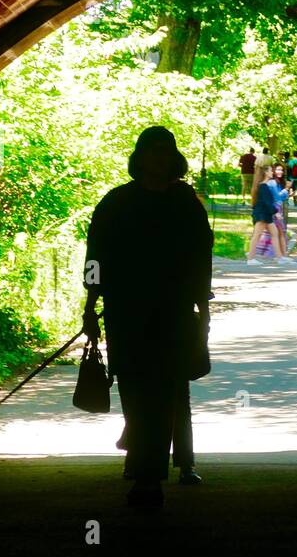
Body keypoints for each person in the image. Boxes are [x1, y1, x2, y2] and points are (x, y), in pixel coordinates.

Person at [83, 126, 213, 507]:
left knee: (160, 393)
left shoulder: (183, 205)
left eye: (163, 152)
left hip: (170, 314)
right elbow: (95, 258)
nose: (157, 160)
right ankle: (146, 468)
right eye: (152, 152)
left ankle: (148, 477)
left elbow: (200, 261)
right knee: (137, 393)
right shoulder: (117, 204)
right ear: (141, 159)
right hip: (127, 313)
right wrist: (90, 306)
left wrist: (202, 309)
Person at [247, 155, 291, 265]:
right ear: (266, 172)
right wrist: (276, 213)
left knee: (274, 233)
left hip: (266, 215)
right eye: (271, 170)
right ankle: (251, 259)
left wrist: (274, 213)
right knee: (256, 235)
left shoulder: (265, 185)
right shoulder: (263, 186)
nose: (273, 172)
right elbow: (266, 203)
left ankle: (280, 257)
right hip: (262, 215)